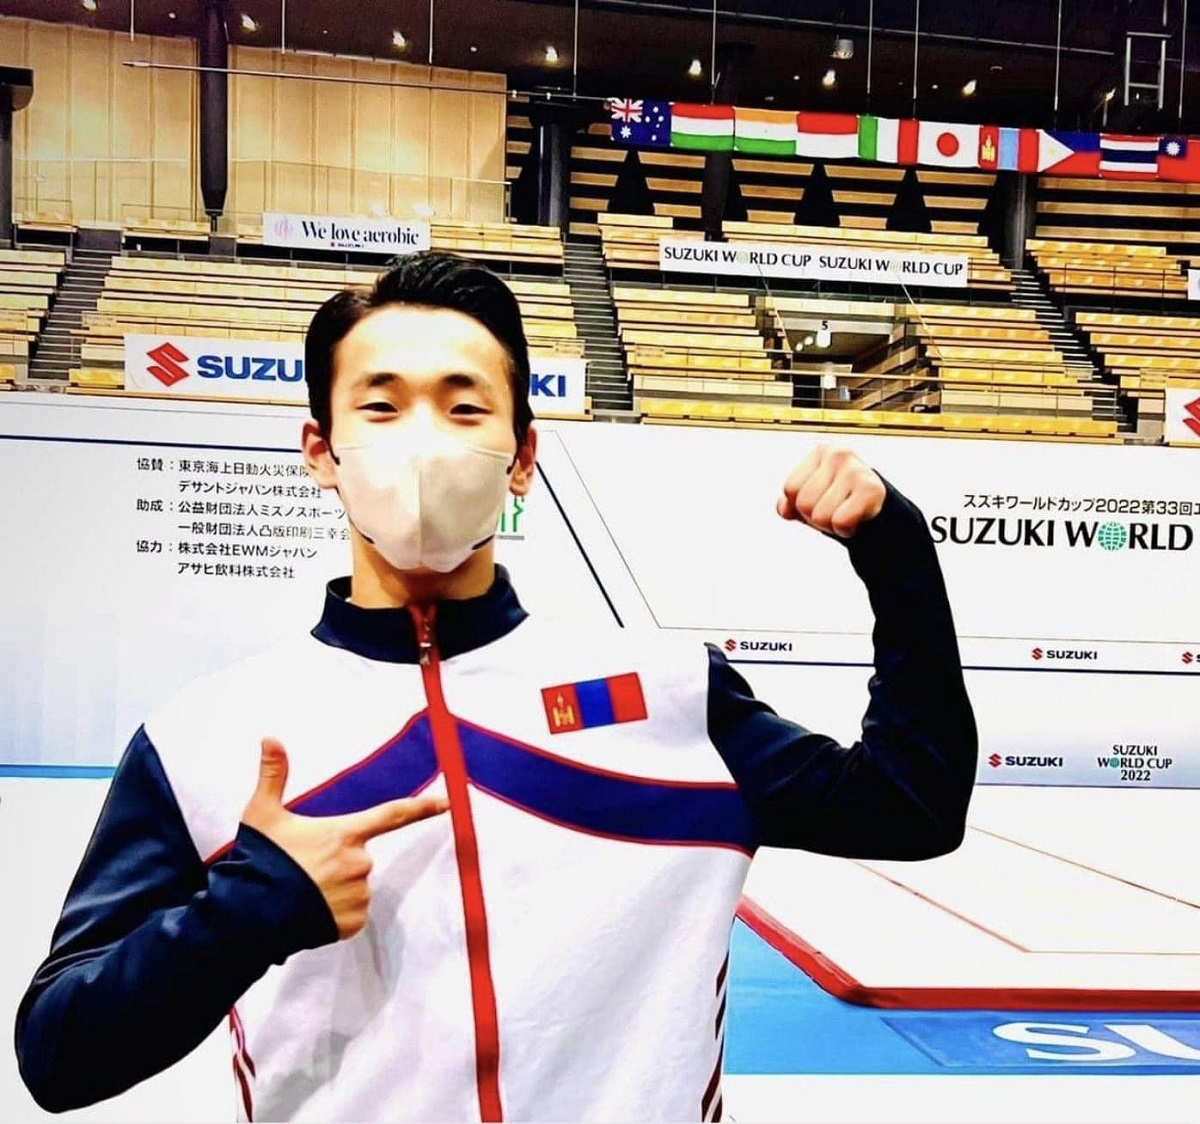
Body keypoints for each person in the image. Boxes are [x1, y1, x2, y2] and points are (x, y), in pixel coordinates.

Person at [15, 252, 977, 1123]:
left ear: (522, 456)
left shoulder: (670, 694)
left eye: (464, 407)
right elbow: (58, 1054)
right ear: (321, 451)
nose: (424, 443)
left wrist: (896, 551)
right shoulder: (206, 738)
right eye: (381, 407)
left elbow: (912, 808)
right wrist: (247, 910)